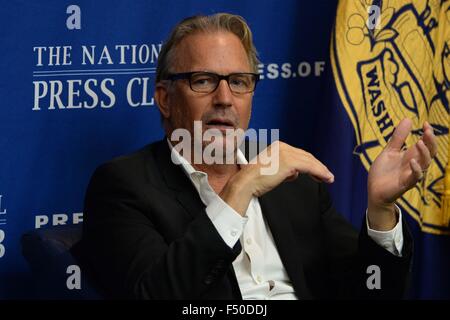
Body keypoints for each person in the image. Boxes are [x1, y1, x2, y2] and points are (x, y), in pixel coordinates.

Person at [79, 13, 437, 299]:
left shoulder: (293, 183)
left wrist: (381, 212)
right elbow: (153, 292)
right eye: (203, 80)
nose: (224, 98)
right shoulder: (123, 186)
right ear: (165, 98)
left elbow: (371, 291)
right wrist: (240, 189)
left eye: (239, 81)